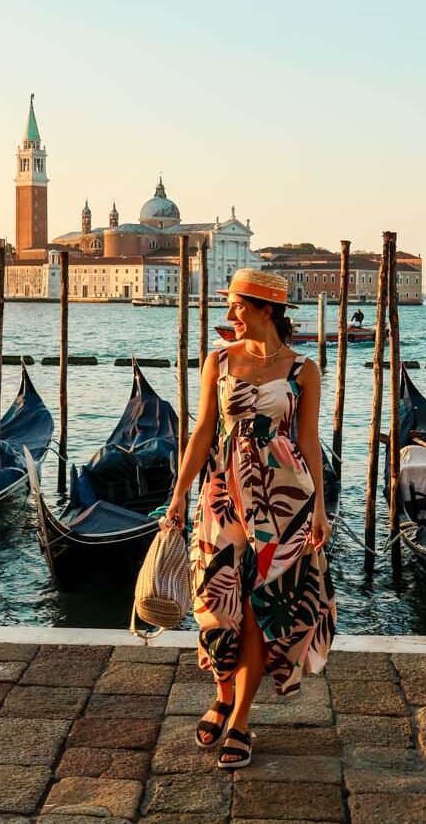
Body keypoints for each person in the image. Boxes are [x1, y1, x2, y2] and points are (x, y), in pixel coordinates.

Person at [166, 268, 336, 770]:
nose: (230, 313)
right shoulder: (218, 360)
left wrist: (320, 507)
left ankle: (239, 718)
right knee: (217, 610)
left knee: (262, 611)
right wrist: (178, 495)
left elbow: (308, 442)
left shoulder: (304, 370)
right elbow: (201, 432)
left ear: (265, 309)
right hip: (222, 496)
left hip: (284, 501)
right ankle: (222, 693)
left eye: (237, 304)